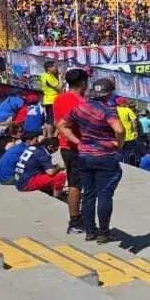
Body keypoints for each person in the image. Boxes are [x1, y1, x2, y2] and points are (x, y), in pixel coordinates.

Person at [58, 78, 124, 244]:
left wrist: (77, 142)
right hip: (105, 156)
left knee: (88, 194)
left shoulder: (80, 107)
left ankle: (89, 230)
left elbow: (61, 125)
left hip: (84, 155)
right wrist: (119, 143)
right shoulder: (108, 110)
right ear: (109, 93)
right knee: (105, 194)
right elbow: (119, 129)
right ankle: (103, 233)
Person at [55, 68, 89, 234]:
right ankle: (75, 221)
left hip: (65, 146)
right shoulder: (81, 103)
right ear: (83, 83)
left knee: (75, 182)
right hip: (77, 147)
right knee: (76, 185)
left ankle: (77, 218)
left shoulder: (59, 99)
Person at [115, 97, 141, 166]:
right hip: (128, 136)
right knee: (128, 153)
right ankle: (127, 168)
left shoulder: (114, 110)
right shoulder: (128, 110)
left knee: (119, 153)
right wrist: (135, 131)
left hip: (117, 136)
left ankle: (118, 166)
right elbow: (134, 122)